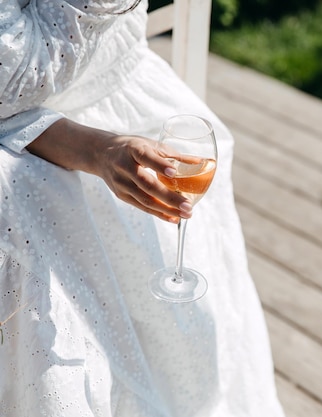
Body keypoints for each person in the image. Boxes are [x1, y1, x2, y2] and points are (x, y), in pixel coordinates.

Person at [0, 1, 285, 416]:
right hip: (29, 153)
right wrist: (93, 149)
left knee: (188, 340)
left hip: (121, 104)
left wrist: (98, 148)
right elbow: (15, 75)